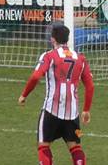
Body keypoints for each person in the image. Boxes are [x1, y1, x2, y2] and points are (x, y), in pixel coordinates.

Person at [18, 24, 93, 165]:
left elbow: (35, 77)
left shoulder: (49, 56)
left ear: (53, 39)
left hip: (51, 110)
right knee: (75, 147)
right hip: (72, 114)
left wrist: (24, 95)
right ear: (67, 39)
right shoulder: (81, 58)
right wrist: (86, 110)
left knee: (43, 145)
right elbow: (90, 85)